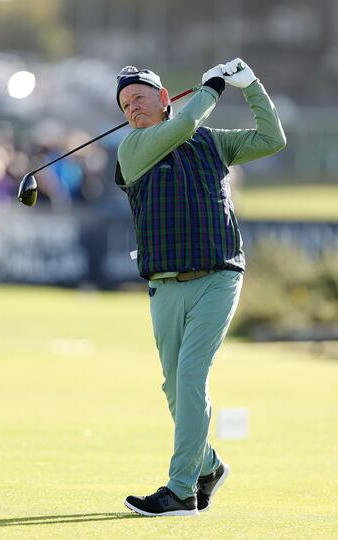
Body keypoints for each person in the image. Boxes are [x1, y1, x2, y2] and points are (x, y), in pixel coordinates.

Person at [115, 58, 286, 517]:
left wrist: (250, 85)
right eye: (125, 105)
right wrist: (212, 88)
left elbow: (273, 139)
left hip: (218, 274)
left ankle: (181, 490)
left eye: (139, 99)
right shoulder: (133, 149)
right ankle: (207, 465)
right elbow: (187, 121)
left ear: (165, 97)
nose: (132, 109)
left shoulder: (212, 142)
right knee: (175, 389)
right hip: (165, 286)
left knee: (191, 378)